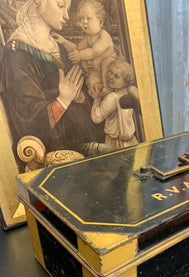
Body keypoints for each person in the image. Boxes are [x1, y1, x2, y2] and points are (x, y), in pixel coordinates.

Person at [0, 0, 105, 172]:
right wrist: (63, 100)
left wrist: (80, 97)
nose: (66, 16)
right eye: (61, 5)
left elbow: (83, 96)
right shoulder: (16, 53)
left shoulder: (59, 47)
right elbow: (28, 122)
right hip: (54, 157)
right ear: (39, 3)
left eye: (68, 9)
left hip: (82, 141)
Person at [52, 0, 116, 98]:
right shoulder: (88, 37)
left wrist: (80, 55)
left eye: (88, 18)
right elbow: (77, 49)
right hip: (95, 72)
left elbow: (95, 51)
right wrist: (64, 41)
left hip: (108, 73)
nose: (84, 22)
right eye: (81, 18)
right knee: (87, 79)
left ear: (100, 22)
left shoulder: (104, 36)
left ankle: (106, 90)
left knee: (103, 68)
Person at [91, 58, 139, 149]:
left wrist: (96, 98)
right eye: (111, 72)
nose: (111, 77)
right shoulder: (127, 93)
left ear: (125, 82)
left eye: (116, 76)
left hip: (115, 144)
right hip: (131, 142)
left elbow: (96, 117)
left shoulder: (112, 98)